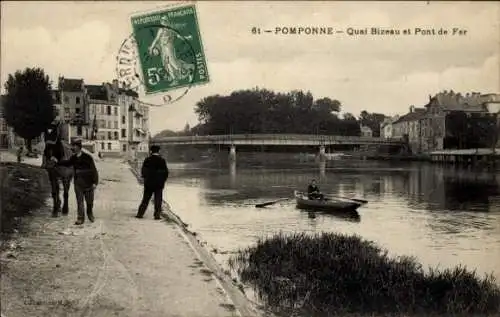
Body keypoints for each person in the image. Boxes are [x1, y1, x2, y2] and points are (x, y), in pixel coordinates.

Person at [56, 139, 99, 225]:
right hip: (78, 183)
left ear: (79, 147)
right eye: (73, 146)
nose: (73, 148)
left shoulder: (88, 157)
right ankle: (80, 218)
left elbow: (94, 170)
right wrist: (57, 162)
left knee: (89, 201)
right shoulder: (73, 158)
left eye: (74, 146)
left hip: (88, 183)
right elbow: (67, 163)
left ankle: (90, 213)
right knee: (79, 201)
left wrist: (95, 182)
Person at [136, 145, 169, 220]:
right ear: (159, 151)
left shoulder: (147, 159)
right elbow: (166, 173)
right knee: (158, 199)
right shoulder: (162, 160)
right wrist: (162, 180)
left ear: (151, 151)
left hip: (149, 183)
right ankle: (157, 215)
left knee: (145, 199)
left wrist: (145, 178)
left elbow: (143, 171)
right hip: (159, 184)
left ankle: (140, 214)